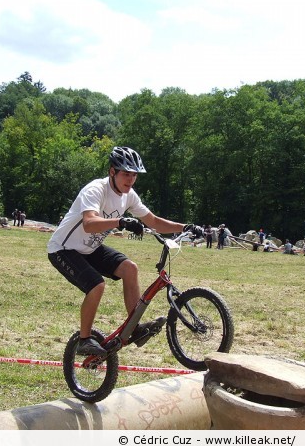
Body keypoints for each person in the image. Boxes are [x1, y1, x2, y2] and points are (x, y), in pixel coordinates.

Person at [47, 146, 202, 357]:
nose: (130, 180)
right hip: (63, 249)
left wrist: (184, 227)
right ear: (112, 171)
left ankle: (134, 329)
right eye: (126, 174)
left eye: (134, 175)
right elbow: (89, 223)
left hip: (90, 248)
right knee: (96, 285)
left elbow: (154, 221)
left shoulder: (128, 196)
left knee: (130, 269)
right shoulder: (95, 189)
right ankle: (84, 340)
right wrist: (121, 221)